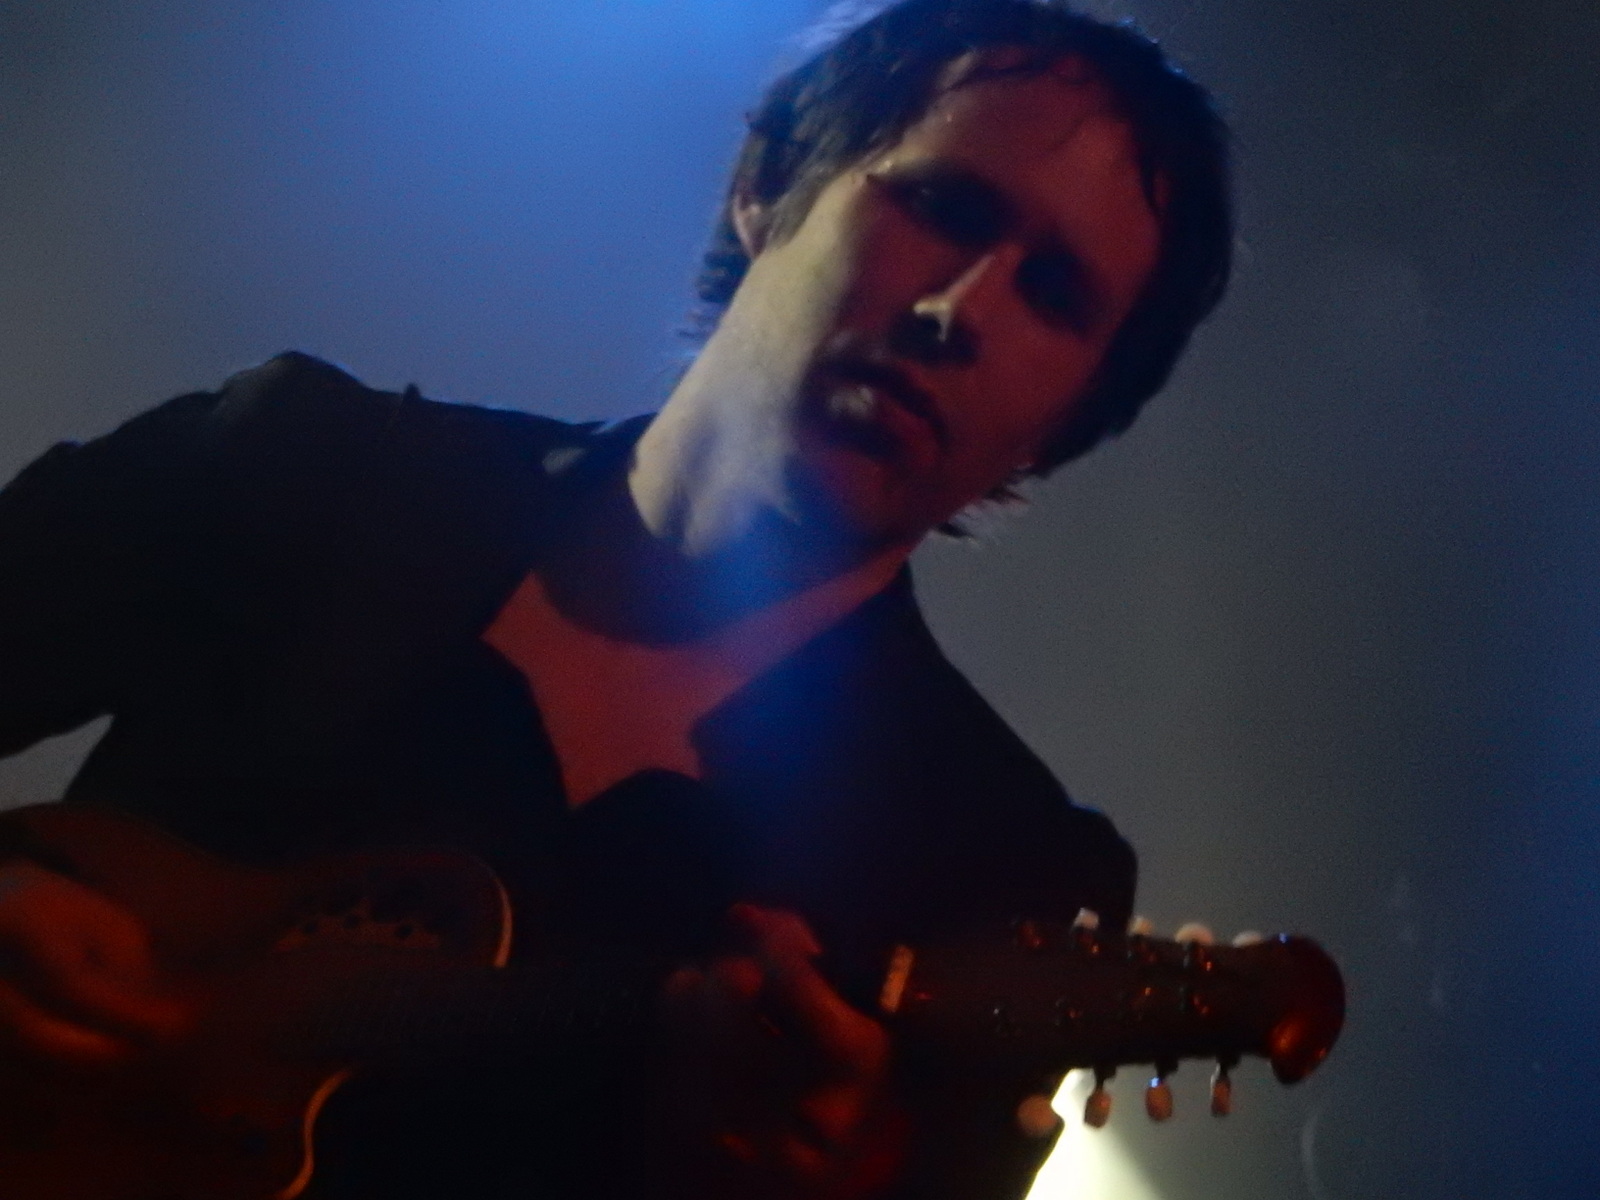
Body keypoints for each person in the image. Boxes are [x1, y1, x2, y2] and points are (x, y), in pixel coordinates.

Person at [0, 0, 1231, 1196]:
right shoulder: (310, 463)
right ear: (767, 180)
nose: (958, 311)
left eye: (1054, 295)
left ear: (1066, 424)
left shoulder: (995, 869)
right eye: (943, 205)